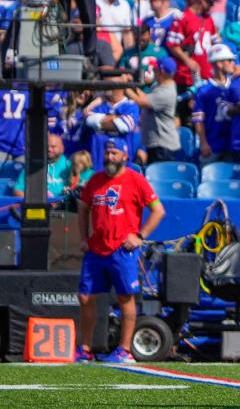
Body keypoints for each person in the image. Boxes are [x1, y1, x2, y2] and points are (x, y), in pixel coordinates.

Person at [74, 138, 165, 364]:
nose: (110, 157)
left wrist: (140, 236)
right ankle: (85, 348)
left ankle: (124, 350)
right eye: (107, 153)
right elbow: (83, 209)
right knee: (85, 297)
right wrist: (84, 238)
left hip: (122, 250)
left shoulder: (136, 180)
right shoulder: (95, 180)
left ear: (125, 156)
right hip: (97, 249)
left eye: (115, 153)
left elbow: (158, 210)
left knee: (125, 297)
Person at [125, 56, 179, 163]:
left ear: (162, 71)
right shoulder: (159, 85)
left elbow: (141, 101)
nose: (153, 69)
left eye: (156, 68)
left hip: (163, 146)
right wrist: (131, 86)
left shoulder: (166, 92)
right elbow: (144, 97)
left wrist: (123, 86)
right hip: (156, 143)